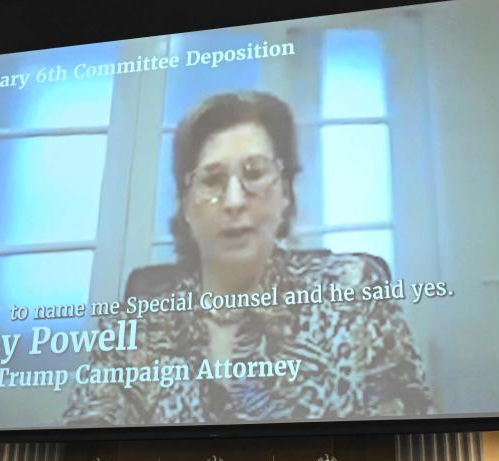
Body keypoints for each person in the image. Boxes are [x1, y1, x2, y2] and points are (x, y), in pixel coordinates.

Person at [64, 90, 432, 426]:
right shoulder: (135, 325)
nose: (235, 201)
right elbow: (88, 443)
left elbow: (409, 439)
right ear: (186, 204)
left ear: (285, 192)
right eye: (212, 180)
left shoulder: (352, 293)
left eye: (255, 173)